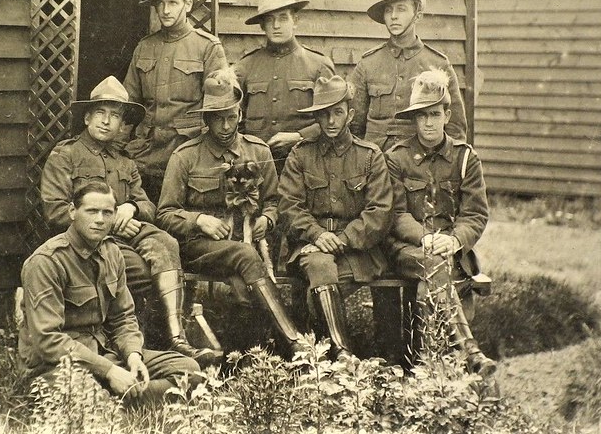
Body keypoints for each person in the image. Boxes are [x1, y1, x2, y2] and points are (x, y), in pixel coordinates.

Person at [39, 76, 220, 367]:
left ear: (122, 124)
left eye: (115, 116)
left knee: (165, 241)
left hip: (125, 235)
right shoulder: (66, 155)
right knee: (136, 268)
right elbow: (56, 212)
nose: (107, 122)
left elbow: (149, 206)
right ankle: (133, 342)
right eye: (101, 113)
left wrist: (130, 208)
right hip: (87, 241)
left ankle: (176, 336)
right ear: (87, 117)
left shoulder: (125, 161)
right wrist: (110, 221)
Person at [157, 68, 304, 354]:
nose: (225, 126)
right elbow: (165, 213)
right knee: (244, 255)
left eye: (231, 117)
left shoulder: (258, 152)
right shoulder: (185, 156)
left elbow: (276, 202)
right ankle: (294, 343)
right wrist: (199, 220)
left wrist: (267, 219)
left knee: (242, 287)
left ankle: (238, 358)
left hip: (247, 248)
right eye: (217, 119)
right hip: (200, 248)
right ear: (206, 119)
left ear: (240, 115)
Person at [19, 180, 202, 404]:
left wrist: (133, 356)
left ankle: (122, 397)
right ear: (72, 212)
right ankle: (120, 401)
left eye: (107, 212)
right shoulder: (46, 262)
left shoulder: (112, 253)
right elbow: (48, 341)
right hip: (58, 365)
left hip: (105, 354)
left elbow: (123, 317)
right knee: (96, 411)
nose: (99, 220)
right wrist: (109, 371)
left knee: (190, 370)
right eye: (92, 211)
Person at [384, 68, 497, 378]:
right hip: (408, 251)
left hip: (453, 253)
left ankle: (424, 370)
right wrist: (425, 238)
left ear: (447, 114)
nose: (429, 122)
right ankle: (469, 352)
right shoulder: (397, 158)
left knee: (427, 289)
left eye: (435, 114)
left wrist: (456, 239)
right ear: (414, 119)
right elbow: (395, 215)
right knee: (432, 266)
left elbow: (475, 214)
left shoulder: (465, 158)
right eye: (422, 116)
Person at [278, 75, 393, 358]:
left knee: (316, 288)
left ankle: (315, 357)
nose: (330, 121)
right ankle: (343, 353)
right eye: (324, 114)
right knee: (318, 266)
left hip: (358, 252)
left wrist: (340, 239)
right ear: (317, 117)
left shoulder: (369, 156)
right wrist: (317, 234)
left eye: (337, 112)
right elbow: (289, 206)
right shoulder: (300, 155)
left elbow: (380, 212)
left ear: (350, 115)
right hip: (311, 246)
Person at [124, 0, 228, 200]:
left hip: (186, 155)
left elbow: (220, 109)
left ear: (188, 5)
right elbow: (128, 105)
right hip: (145, 156)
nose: (165, 10)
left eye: (172, 3)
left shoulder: (208, 47)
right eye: (160, 4)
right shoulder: (145, 47)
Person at [349, 0, 468, 152]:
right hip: (375, 163)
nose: (393, 16)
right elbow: (354, 127)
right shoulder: (368, 64)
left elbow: (455, 129)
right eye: (388, 10)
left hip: (420, 165)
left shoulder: (437, 63)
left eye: (401, 9)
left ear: (417, 15)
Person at [234, 0, 335, 170]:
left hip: (305, 163)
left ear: (295, 20)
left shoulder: (318, 65)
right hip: (256, 166)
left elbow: (334, 119)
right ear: (262, 25)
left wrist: (299, 136)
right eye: (269, 20)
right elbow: (235, 121)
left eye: (283, 18)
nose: (276, 26)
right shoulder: (245, 67)